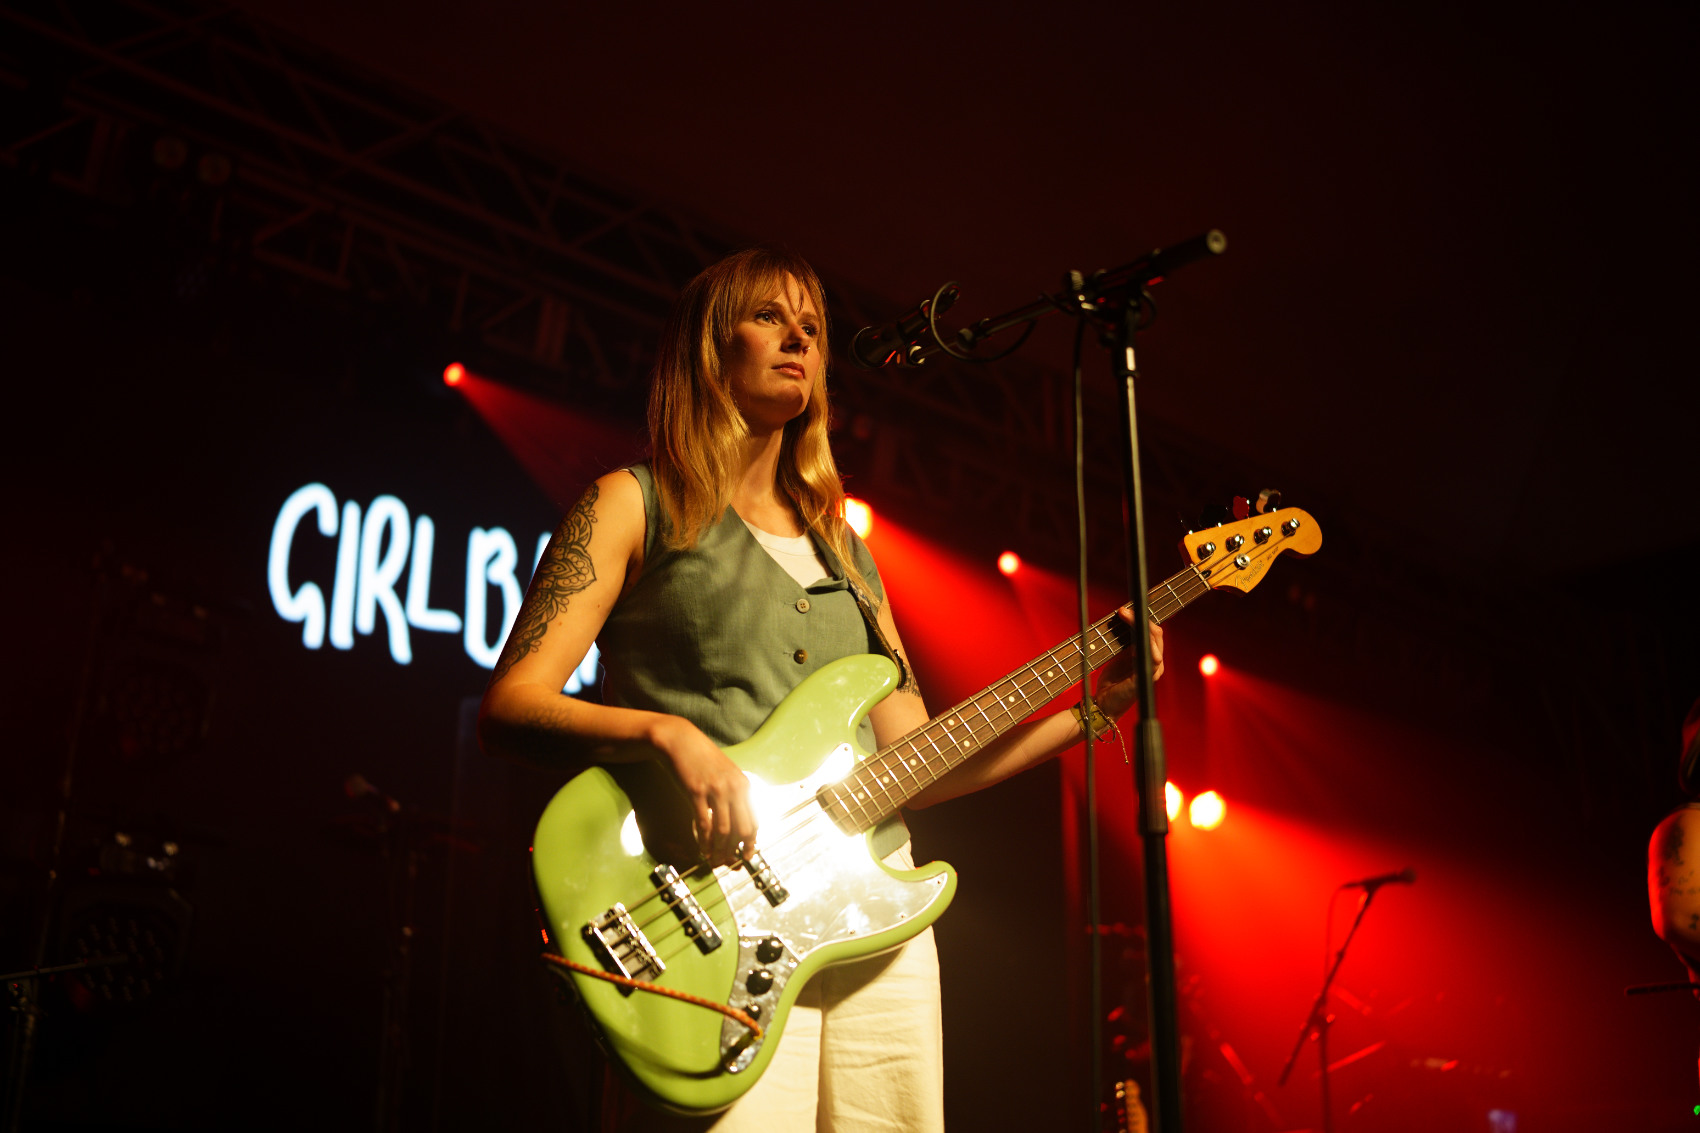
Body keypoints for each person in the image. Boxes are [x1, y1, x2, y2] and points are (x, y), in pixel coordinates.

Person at [478, 247, 1163, 1132]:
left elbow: (916, 762)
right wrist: (667, 735)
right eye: (769, 316)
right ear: (710, 345)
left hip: (876, 921)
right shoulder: (631, 502)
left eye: (811, 325)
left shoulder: (846, 550)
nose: (799, 337)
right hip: (712, 916)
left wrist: (1091, 713)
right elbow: (512, 704)